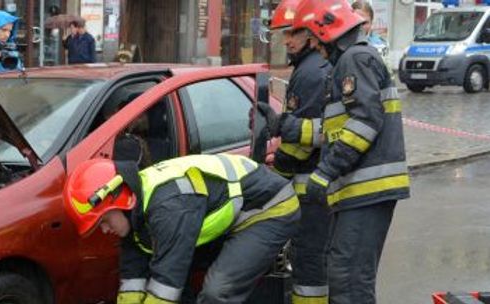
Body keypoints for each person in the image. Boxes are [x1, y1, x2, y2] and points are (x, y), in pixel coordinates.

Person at [288, 1, 411, 303]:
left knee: (349, 280)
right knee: (343, 274)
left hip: (366, 189)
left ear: (330, 32)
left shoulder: (355, 59)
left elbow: (365, 122)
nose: (315, 47)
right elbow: (338, 129)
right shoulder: (352, 60)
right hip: (358, 191)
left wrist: (325, 171)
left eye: (316, 39)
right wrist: (286, 126)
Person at [64, 154, 300, 304]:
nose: (104, 231)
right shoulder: (135, 208)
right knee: (176, 276)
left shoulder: (168, 209)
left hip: (268, 209)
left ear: (120, 200)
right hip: (231, 210)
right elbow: (133, 279)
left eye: (103, 221)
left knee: (217, 292)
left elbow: (165, 289)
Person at [262, 0, 332, 303]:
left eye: (293, 32)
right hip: (320, 189)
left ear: (313, 33)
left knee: (309, 265)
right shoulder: (314, 67)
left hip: (311, 191)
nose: (287, 40)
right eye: (284, 33)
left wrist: (273, 179)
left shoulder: (309, 73)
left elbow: (300, 145)